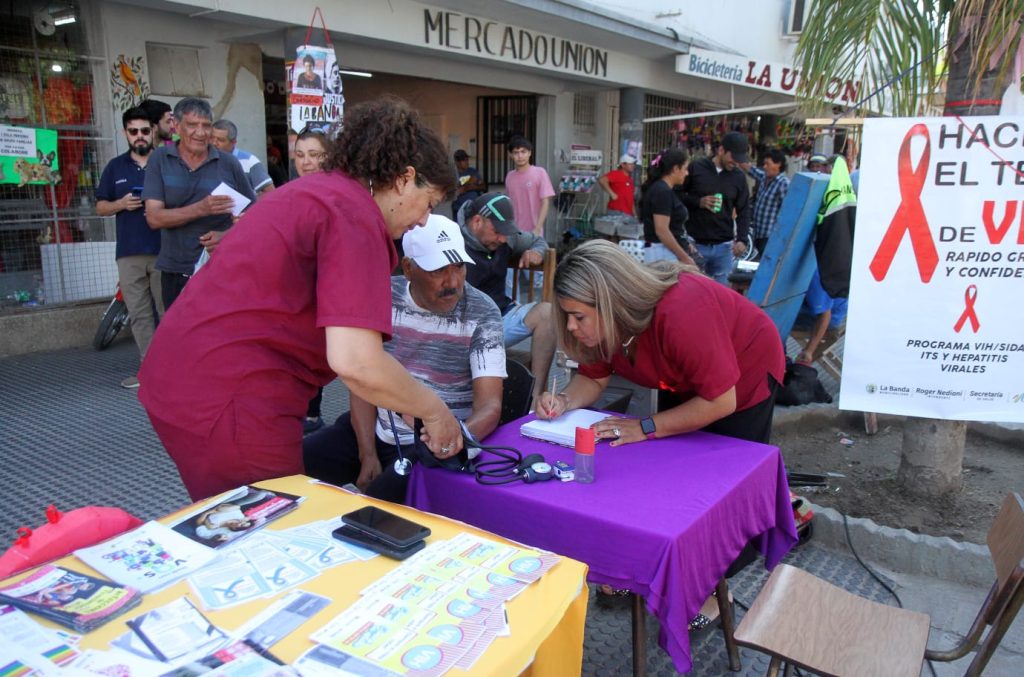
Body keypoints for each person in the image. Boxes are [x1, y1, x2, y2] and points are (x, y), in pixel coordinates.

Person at [138, 96, 462, 501]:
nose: (423, 220)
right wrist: (434, 411)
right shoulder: (355, 217)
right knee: (267, 533)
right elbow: (356, 361)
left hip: (183, 377)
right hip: (233, 396)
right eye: (428, 203)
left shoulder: (319, 193)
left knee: (237, 520)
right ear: (404, 178)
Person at [304, 215, 505, 502]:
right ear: (409, 268)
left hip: (429, 443)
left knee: (376, 505)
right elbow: (361, 380)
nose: (453, 282)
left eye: (459, 267)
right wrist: (367, 453)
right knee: (293, 465)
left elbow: (490, 407)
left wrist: (449, 441)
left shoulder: (483, 312)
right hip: (373, 426)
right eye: (438, 270)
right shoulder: (382, 296)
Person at [536, 239, 785, 447]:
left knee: (729, 464)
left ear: (614, 304)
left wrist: (645, 425)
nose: (570, 327)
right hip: (685, 378)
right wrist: (564, 401)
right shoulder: (602, 326)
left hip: (747, 369)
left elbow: (720, 401)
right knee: (676, 447)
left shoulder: (682, 313)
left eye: (579, 317)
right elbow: (593, 378)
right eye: (567, 316)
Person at [142, 97, 256, 310]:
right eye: (192, 125)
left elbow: (254, 216)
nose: (201, 133)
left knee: (221, 335)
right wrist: (201, 208)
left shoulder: (228, 163)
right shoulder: (160, 159)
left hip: (222, 268)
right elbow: (154, 218)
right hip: (175, 269)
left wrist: (226, 236)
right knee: (181, 337)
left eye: (206, 125)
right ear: (176, 126)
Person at [458, 192, 555, 407]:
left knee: (547, 313)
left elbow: (538, 240)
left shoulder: (507, 238)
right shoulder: (453, 241)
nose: (503, 238)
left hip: (501, 318)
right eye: (498, 231)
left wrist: (536, 252)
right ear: (476, 221)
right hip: (465, 329)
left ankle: (535, 399)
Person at [95, 106, 163, 389]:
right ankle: (150, 372)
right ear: (125, 133)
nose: (139, 136)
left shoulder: (166, 162)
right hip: (129, 253)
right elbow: (100, 207)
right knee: (140, 315)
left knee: (169, 312)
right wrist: (121, 204)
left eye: (144, 130)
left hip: (164, 250)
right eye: (133, 131)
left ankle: (177, 368)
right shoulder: (115, 167)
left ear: (153, 131)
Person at [291, 128, 333, 433]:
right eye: (300, 155)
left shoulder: (336, 195)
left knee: (313, 355)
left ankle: (312, 415)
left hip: (323, 290)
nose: (306, 162)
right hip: (291, 290)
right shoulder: (288, 193)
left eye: (314, 155)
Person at [679, 131, 752, 285]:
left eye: (739, 160)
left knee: (721, 294)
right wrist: (698, 202)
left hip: (724, 247)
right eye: (733, 158)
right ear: (721, 151)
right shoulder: (697, 167)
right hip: (696, 244)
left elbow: (744, 209)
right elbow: (678, 196)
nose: (736, 163)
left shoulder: (738, 177)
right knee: (693, 289)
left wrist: (742, 239)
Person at [640, 148, 696, 265]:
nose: (687, 173)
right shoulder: (661, 191)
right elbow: (662, 230)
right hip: (662, 253)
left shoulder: (665, 190)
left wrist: (686, 244)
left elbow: (672, 227)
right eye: (685, 169)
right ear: (675, 169)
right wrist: (684, 257)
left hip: (666, 251)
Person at [211, 119, 275, 197]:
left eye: (220, 140)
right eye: (211, 138)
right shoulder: (202, 159)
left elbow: (270, 193)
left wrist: (248, 201)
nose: (214, 143)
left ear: (233, 142)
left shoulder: (249, 161)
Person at [504, 137, 554, 237]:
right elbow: (509, 204)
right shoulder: (509, 176)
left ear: (530, 153)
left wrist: (538, 228)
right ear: (510, 155)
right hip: (514, 232)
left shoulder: (540, 173)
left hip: (534, 232)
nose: (520, 156)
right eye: (516, 152)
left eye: (523, 152)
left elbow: (545, 202)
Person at [747, 148, 790, 255]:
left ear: (778, 164)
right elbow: (752, 170)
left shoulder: (783, 183)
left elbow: (787, 211)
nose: (765, 167)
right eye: (764, 164)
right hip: (759, 233)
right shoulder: (764, 178)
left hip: (770, 236)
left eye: (768, 164)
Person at [451, 149, 485, 219]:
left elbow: (483, 186)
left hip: (473, 207)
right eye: (464, 160)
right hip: (459, 208)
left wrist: (472, 187)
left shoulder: (473, 171)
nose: (467, 162)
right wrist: (469, 183)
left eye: (467, 160)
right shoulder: (453, 174)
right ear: (457, 162)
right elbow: (456, 190)